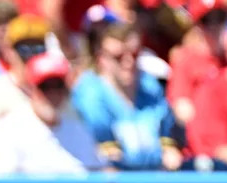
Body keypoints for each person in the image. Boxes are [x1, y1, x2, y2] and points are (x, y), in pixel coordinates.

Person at [72, 22, 182, 171]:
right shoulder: (89, 94)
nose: (128, 62)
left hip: (155, 177)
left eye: (135, 55)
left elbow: (166, 129)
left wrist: (169, 148)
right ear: (101, 59)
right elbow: (103, 153)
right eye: (118, 57)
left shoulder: (150, 86)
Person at [0, 52, 104, 175]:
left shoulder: (77, 129)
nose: (53, 94)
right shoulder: (8, 130)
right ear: (30, 89)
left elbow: (96, 177)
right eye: (45, 87)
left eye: (59, 86)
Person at [0, 14, 50, 146]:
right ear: (8, 51)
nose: (31, 56)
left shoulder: (57, 91)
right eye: (23, 49)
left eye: (38, 48)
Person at [167, 0, 227, 127]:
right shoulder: (186, 60)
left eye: (220, 17)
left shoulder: (225, 58)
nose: (215, 26)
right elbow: (182, 109)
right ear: (197, 25)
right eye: (208, 20)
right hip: (205, 136)